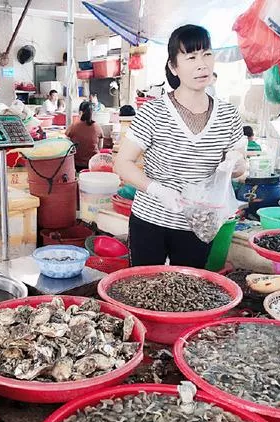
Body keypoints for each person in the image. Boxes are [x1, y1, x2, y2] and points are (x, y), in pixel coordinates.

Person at [114, 25, 246, 268]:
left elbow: (239, 168)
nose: (202, 64)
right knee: (143, 285)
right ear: (174, 67)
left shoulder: (228, 115)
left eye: (207, 54)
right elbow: (122, 163)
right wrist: (158, 190)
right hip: (151, 220)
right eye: (191, 57)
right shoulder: (153, 112)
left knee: (189, 285)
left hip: (199, 224)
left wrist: (236, 164)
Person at [66, 101, 103, 170]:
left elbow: (67, 144)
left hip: (77, 164)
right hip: (93, 164)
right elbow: (100, 147)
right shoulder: (97, 127)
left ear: (80, 112)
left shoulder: (74, 126)